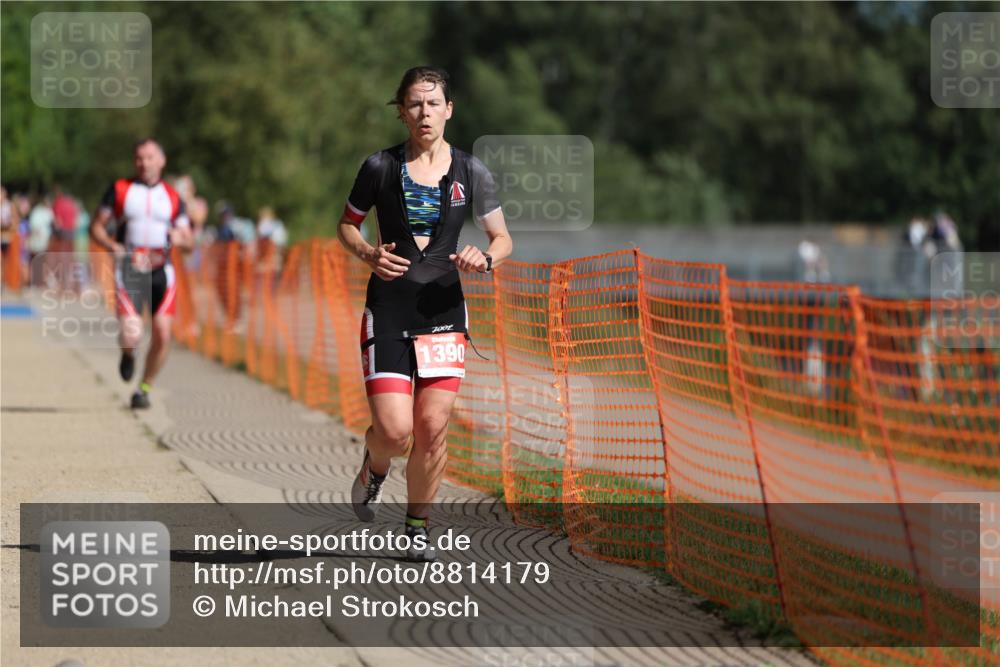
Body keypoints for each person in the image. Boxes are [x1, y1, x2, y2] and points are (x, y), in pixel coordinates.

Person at [337, 66, 513, 561]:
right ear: (401, 112)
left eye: (433, 103)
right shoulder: (378, 167)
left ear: (449, 110)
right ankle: (375, 465)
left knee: (432, 426)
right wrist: (368, 253)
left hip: (442, 311)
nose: (424, 113)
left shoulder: (471, 171)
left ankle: (417, 526)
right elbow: (346, 227)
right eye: (414, 104)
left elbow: (502, 238)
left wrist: (486, 256)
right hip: (389, 309)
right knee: (395, 432)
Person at [89, 138, 193, 409]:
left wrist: (182, 240)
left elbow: (189, 240)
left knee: (163, 333)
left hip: (162, 271)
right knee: (132, 333)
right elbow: (97, 226)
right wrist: (112, 245)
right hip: (130, 269)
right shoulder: (120, 190)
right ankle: (127, 353)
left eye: (149, 157)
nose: (143, 163)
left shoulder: (172, 196)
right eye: (139, 158)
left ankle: (144, 388)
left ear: (161, 160)